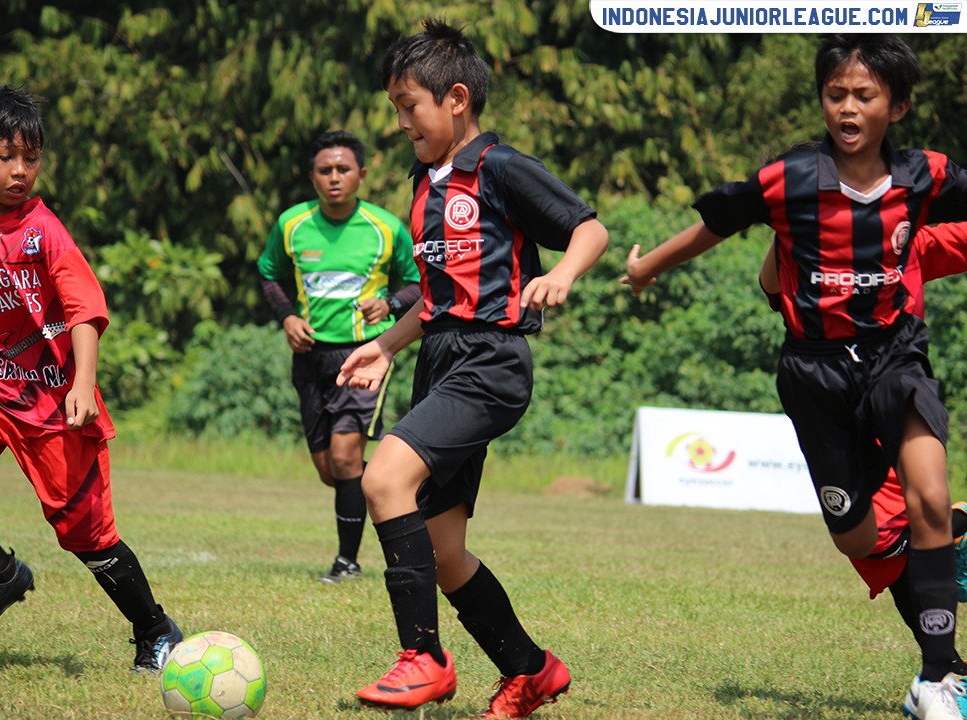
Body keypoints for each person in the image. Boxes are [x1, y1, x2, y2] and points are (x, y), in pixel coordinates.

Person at [624, 35, 967, 720]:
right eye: (836, 94)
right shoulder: (789, 193)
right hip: (816, 377)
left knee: (927, 494)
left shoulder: (922, 186)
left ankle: (940, 675)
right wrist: (647, 267)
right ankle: (951, 543)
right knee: (861, 541)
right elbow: (723, 232)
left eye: (864, 95)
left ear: (896, 107)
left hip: (896, 361)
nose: (848, 107)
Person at [337, 19, 609, 718]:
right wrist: (385, 347)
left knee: (382, 478)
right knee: (443, 550)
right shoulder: (424, 185)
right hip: (440, 360)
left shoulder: (499, 167)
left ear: (456, 99)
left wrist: (564, 274)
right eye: (395, 108)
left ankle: (422, 659)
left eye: (409, 106)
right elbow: (436, 303)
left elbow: (589, 228)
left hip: (490, 362)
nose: (401, 122)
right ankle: (531, 670)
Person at [0, 85, 182, 672]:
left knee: (88, 538)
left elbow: (85, 309)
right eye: (5, 156)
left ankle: (154, 629)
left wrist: (83, 383)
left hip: (53, 396)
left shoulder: (43, 229)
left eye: (31, 157)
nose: (20, 170)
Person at [759, 224, 967, 692]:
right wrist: (786, 221)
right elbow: (770, 287)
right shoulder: (802, 243)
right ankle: (949, 657)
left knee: (890, 541)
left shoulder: (907, 239)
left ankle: (946, 666)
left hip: (890, 404)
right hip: (830, 409)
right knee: (878, 552)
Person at [257, 129, 421, 584]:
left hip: (364, 354)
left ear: (361, 174)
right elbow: (268, 274)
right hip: (310, 356)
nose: (334, 177)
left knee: (347, 457)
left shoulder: (384, 227)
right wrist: (288, 317)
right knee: (331, 471)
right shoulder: (292, 224)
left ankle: (347, 562)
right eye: (325, 170)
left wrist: (390, 303)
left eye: (343, 169)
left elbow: (419, 283)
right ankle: (397, 483)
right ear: (312, 175)